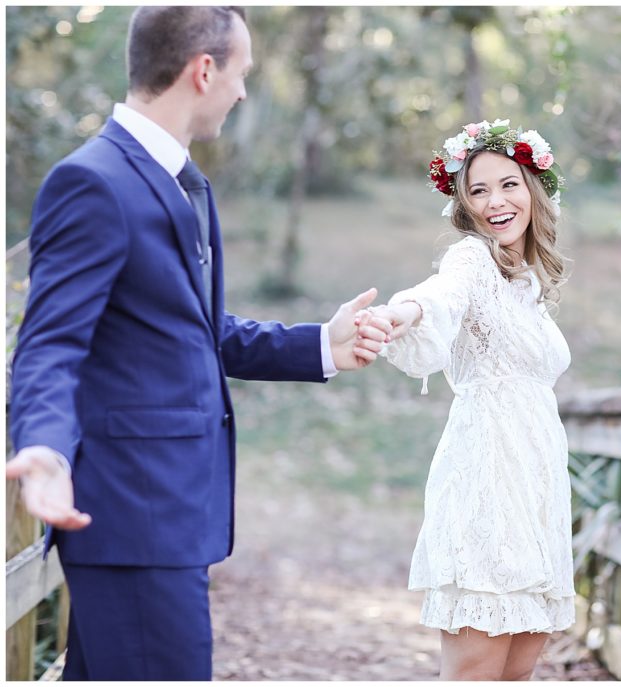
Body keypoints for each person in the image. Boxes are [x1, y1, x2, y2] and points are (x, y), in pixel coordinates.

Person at [5, 6, 391, 681]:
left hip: (166, 516)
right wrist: (40, 445)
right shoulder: (92, 182)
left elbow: (195, 330)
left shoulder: (188, 183)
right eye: (241, 74)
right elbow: (47, 343)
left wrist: (321, 345)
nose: (243, 92)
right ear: (203, 70)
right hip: (129, 517)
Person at [369, 118, 574, 680]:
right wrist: (400, 313)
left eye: (508, 184)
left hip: (536, 488)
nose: (495, 202)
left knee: (518, 672)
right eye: (478, 190)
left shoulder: (526, 283)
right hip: (488, 477)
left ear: (533, 189)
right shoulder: (472, 260)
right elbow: (439, 295)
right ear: (464, 204)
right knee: (475, 674)